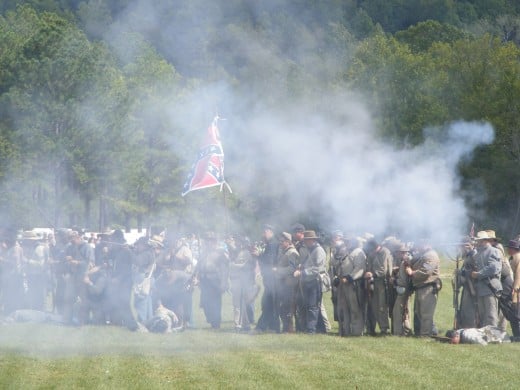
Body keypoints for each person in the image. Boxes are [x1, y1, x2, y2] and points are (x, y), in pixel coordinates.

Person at [293, 230, 326, 334]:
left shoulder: (319, 250)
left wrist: (303, 272)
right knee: (307, 306)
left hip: (315, 281)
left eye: (307, 240)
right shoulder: (307, 249)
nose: (305, 242)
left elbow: (318, 268)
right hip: (307, 281)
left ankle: (311, 330)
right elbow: (306, 263)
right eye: (305, 240)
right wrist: (300, 267)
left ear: (312, 240)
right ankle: (314, 328)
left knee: (312, 307)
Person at [405, 238, 440, 337]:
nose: (418, 246)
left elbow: (425, 271)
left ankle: (425, 334)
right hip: (421, 287)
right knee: (420, 312)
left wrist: (412, 273)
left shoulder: (431, 255)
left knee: (426, 314)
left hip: (428, 288)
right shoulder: (424, 255)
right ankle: (422, 333)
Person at [195, 231, 229, 329]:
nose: (208, 242)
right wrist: (197, 277)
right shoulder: (203, 253)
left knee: (215, 303)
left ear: (214, 242)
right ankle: (211, 319)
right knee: (205, 303)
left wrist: (224, 283)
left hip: (215, 281)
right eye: (207, 240)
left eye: (210, 240)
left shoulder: (220, 254)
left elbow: (224, 270)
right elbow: (199, 266)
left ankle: (216, 323)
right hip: (204, 281)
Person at [468, 231, 502, 327]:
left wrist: (478, 274)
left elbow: (493, 268)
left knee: (491, 314)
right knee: (482, 314)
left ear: (484, 241)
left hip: (490, 286)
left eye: (479, 241)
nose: (477, 243)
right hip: (481, 287)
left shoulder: (493, 251)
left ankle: (493, 335)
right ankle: (485, 334)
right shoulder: (479, 253)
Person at [338, 236, 366, 336]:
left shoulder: (358, 252)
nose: (346, 243)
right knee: (345, 308)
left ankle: (357, 331)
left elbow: (360, 268)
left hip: (353, 283)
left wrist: (350, 278)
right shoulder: (347, 252)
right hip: (344, 282)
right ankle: (346, 330)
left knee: (355, 309)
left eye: (348, 241)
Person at [363, 238, 393, 335]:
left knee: (382, 307)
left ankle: (384, 329)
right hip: (374, 282)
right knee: (375, 306)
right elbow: (369, 266)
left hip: (384, 283)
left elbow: (384, 269)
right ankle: (377, 327)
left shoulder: (385, 252)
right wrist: (368, 272)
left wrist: (372, 274)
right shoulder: (373, 254)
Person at [254, 224, 280, 333]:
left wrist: (258, 255)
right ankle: (273, 327)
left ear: (270, 232)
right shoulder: (270, 244)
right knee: (270, 303)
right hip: (269, 277)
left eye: (265, 232)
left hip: (272, 278)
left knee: (268, 303)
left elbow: (269, 261)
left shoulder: (272, 244)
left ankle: (261, 327)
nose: (263, 234)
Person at [228, 235, 257, 332]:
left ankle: (238, 325)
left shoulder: (246, 253)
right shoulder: (235, 252)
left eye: (237, 241)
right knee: (238, 304)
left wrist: (232, 266)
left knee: (239, 304)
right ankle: (245, 324)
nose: (235, 243)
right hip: (236, 280)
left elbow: (245, 266)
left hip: (243, 281)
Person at [274, 232, 299, 333]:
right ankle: (285, 328)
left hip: (289, 284)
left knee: (288, 308)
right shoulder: (284, 251)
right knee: (283, 307)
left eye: (282, 241)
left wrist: (279, 270)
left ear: (288, 242)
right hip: (283, 283)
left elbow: (292, 268)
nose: (280, 243)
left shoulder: (292, 252)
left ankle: (289, 329)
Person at [457, 236, 479, 328]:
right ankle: (465, 327)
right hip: (467, 285)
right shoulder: (468, 255)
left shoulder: (474, 254)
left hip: (473, 286)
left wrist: (462, 272)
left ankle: (471, 328)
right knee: (465, 309)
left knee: (470, 310)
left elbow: (476, 270)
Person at [392, 243, 413, 336]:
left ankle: (403, 332)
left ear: (402, 253)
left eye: (398, 252)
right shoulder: (403, 262)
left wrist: (395, 281)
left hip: (404, 290)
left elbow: (405, 280)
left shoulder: (406, 262)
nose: (396, 254)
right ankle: (403, 331)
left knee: (401, 312)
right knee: (403, 311)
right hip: (403, 289)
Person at [505, 239, 520, 340]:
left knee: (516, 314)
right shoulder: (512, 258)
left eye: (509, 248)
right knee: (514, 314)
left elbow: (518, 275)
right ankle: (516, 335)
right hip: (514, 289)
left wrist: (515, 288)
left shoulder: (518, 258)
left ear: (512, 249)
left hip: (517, 291)